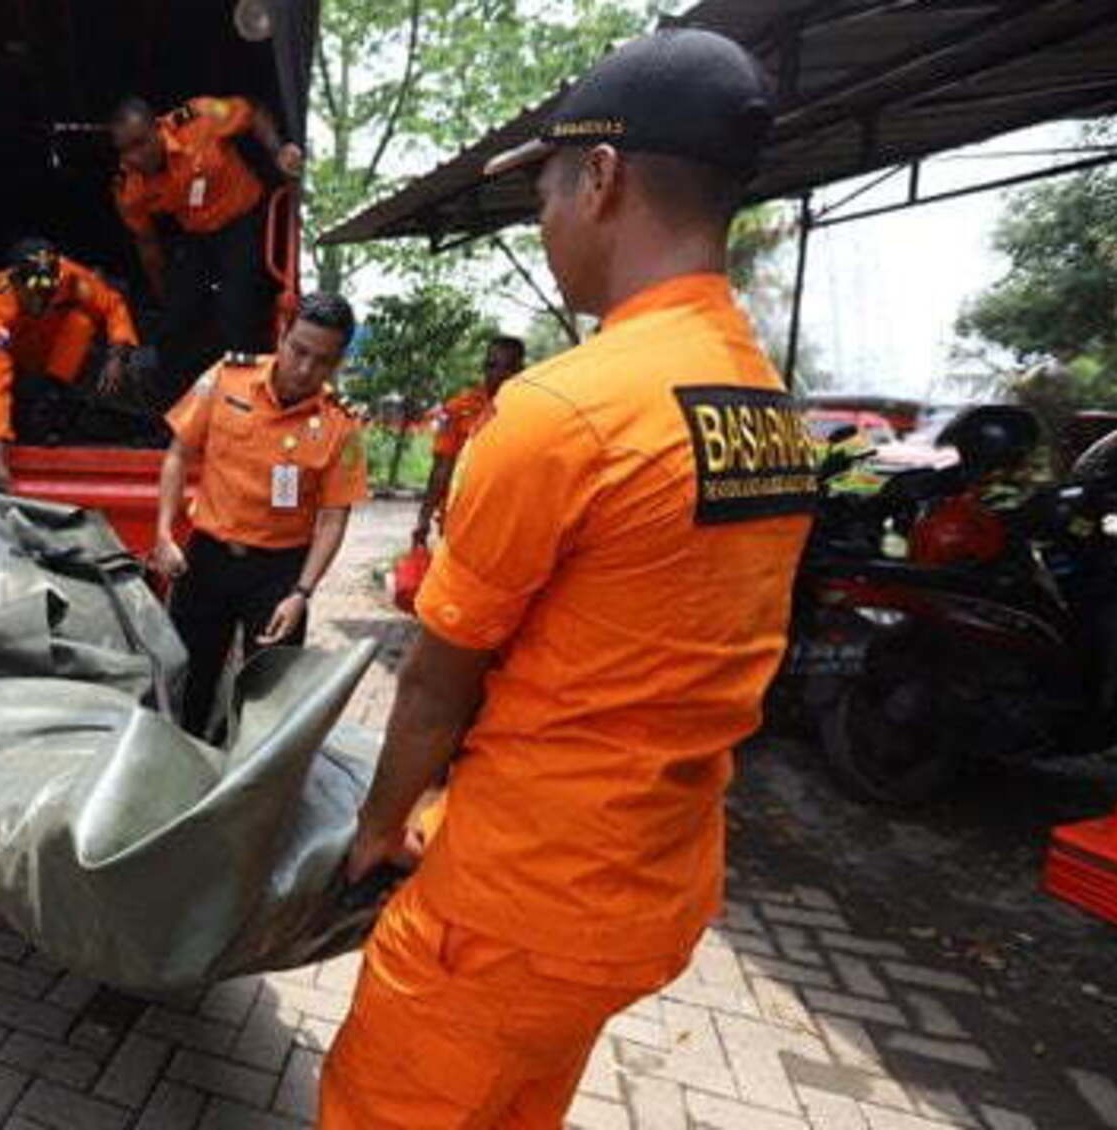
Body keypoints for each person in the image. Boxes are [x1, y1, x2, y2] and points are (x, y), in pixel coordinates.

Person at [321, 30, 817, 1129]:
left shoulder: (566, 411)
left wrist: (378, 826)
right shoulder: (765, 405)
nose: (543, 227)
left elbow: (437, 684)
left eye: (546, 191)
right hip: (650, 890)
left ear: (600, 178)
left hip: (511, 903)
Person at [148, 293, 366, 738]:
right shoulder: (227, 378)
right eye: (298, 350)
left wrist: (302, 593)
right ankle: (180, 769)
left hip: (279, 575)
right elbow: (177, 454)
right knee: (189, 678)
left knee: (269, 697)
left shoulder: (341, 425)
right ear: (282, 337)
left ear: (338, 362)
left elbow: (333, 517)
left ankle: (243, 786)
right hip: (207, 560)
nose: (305, 369)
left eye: (322, 361)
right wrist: (164, 534)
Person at [108, 95, 302, 391]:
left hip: (244, 218)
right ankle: (177, 409)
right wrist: (165, 293)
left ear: (157, 128)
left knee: (237, 307)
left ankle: (247, 394)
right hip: (198, 234)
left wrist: (279, 152)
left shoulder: (201, 117)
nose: (136, 156)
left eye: (141, 142)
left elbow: (253, 111)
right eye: (126, 150)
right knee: (175, 320)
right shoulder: (129, 186)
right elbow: (147, 245)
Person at [0, 237, 139, 487]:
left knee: (80, 323)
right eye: (34, 294)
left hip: (38, 356)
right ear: (15, 282)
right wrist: (0, 463)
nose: (41, 302)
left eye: (48, 293)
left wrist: (118, 354)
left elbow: (112, 305)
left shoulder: (71, 277)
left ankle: (52, 401)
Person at [412, 336, 525, 545]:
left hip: (509, 526)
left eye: (508, 368)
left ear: (520, 370)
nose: (498, 374)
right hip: (460, 521)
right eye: (491, 366)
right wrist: (423, 519)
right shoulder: (459, 408)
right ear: (483, 367)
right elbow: (441, 469)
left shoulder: (532, 413)